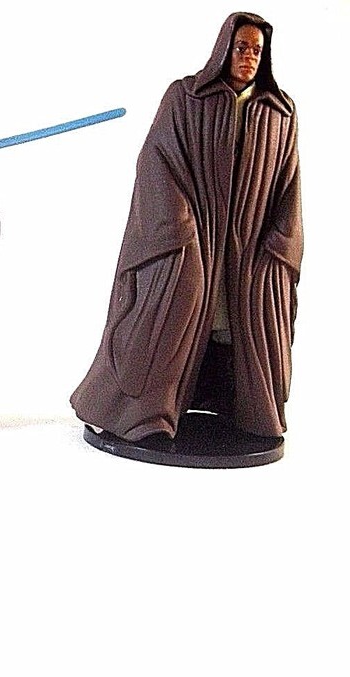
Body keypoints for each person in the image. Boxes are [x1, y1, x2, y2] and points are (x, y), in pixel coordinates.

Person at [71, 12, 302, 442]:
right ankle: (143, 414)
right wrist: (179, 231)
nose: (249, 57)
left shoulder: (279, 113)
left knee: (248, 322)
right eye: (241, 47)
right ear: (224, 49)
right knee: (172, 309)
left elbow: (290, 186)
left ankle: (248, 412)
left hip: (249, 249)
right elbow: (156, 161)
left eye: (257, 50)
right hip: (191, 237)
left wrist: (279, 246)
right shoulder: (186, 97)